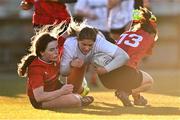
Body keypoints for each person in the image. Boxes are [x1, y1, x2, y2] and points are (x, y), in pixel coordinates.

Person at [97, 7, 158, 106]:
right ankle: (125, 92)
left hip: (106, 76)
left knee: (134, 72)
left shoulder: (126, 33)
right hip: (124, 72)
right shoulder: (149, 37)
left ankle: (137, 99)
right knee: (148, 81)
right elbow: (134, 60)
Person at [17, 33, 94, 109]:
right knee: (74, 100)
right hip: (41, 100)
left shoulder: (56, 53)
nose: (56, 52)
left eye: (56, 48)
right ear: (42, 52)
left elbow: (68, 32)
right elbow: (39, 97)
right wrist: (61, 91)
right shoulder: (36, 68)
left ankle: (78, 95)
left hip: (55, 88)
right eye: (51, 50)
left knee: (79, 63)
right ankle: (78, 99)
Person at [60, 26, 129, 94]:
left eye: (90, 45)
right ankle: (82, 89)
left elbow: (124, 56)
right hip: (78, 62)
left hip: (97, 56)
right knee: (73, 90)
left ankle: (123, 88)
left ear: (95, 42)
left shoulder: (99, 41)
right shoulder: (69, 44)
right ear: (77, 40)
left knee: (109, 61)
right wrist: (71, 64)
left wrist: (106, 69)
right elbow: (63, 72)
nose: (87, 48)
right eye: (84, 44)